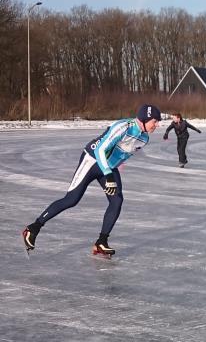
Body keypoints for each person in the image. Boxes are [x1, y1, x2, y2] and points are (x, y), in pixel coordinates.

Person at [21, 104, 162, 257]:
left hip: (108, 166)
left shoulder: (144, 138)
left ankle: (101, 242)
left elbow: (122, 155)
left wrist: (112, 172)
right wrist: (108, 175)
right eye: (155, 121)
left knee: (117, 201)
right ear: (144, 119)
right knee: (71, 199)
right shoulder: (123, 127)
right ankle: (33, 228)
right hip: (93, 159)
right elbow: (100, 149)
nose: (157, 125)